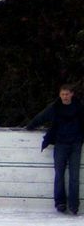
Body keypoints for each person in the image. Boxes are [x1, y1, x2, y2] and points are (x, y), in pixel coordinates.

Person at [26, 84, 84, 214]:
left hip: (75, 144)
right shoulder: (56, 107)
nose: (65, 97)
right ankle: (60, 203)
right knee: (59, 175)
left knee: (74, 176)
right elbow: (42, 117)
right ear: (60, 95)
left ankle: (74, 205)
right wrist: (30, 126)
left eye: (67, 94)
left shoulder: (79, 107)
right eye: (63, 94)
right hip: (60, 144)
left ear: (72, 94)